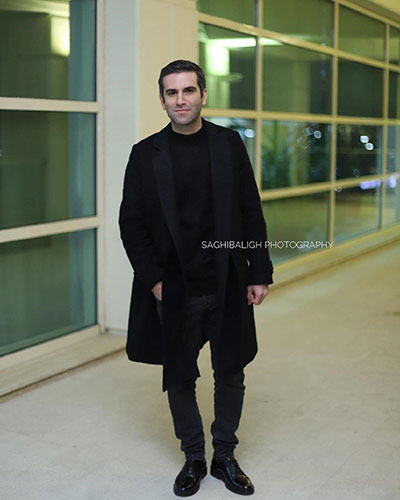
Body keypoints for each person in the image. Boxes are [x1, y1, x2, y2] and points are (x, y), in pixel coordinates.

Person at [119, 59, 273, 497]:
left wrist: (258, 271)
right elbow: (131, 224)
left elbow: (250, 210)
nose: (181, 100)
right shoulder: (145, 153)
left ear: (203, 95)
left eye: (188, 90)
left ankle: (224, 455)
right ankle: (193, 457)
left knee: (231, 373)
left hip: (226, 281)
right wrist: (154, 280)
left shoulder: (228, 144)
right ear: (162, 100)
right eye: (172, 92)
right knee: (180, 376)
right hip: (175, 287)